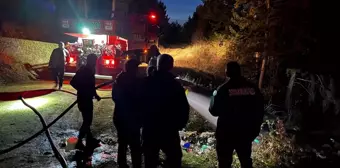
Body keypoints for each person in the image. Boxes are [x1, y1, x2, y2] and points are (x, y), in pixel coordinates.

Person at [209, 61, 264, 168]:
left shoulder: (223, 89)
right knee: (245, 161)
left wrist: (213, 97)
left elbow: (214, 111)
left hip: (226, 132)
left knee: (224, 162)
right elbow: (260, 110)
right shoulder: (253, 88)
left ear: (227, 72)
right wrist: (255, 129)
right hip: (245, 132)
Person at [141, 54, 190, 168]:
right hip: (169, 129)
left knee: (150, 159)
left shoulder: (145, 82)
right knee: (174, 158)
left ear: (157, 65)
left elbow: (137, 103)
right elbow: (183, 107)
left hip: (149, 128)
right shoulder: (175, 85)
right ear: (171, 66)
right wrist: (181, 123)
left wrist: (140, 121)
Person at [70, 54, 101, 163]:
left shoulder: (89, 70)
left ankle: (90, 139)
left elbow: (91, 86)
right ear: (91, 60)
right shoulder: (84, 70)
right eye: (94, 60)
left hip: (86, 98)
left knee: (88, 119)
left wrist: (94, 94)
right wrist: (83, 90)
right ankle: (78, 141)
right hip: (84, 99)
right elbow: (72, 82)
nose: (95, 62)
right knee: (87, 120)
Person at [112, 59, 142, 168]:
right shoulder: (136, 81)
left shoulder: (119, 79)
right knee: (135, 145)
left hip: (120, 116)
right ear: (133, 69)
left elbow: (115, 97)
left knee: (123, 143)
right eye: (136, 68)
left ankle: (122, 164)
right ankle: (136, 165)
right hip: (132, 118)